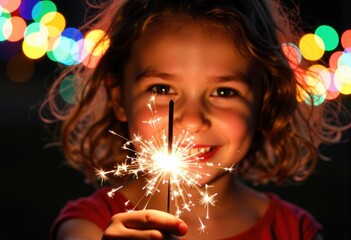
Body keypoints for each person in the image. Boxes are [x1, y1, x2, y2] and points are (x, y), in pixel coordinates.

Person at [41, 0, 350, 239]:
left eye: (225, 91)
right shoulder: (87, 228)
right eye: (161, 89)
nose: (191, 120)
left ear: (263, 100)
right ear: (120, 99)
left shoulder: (295, 231)